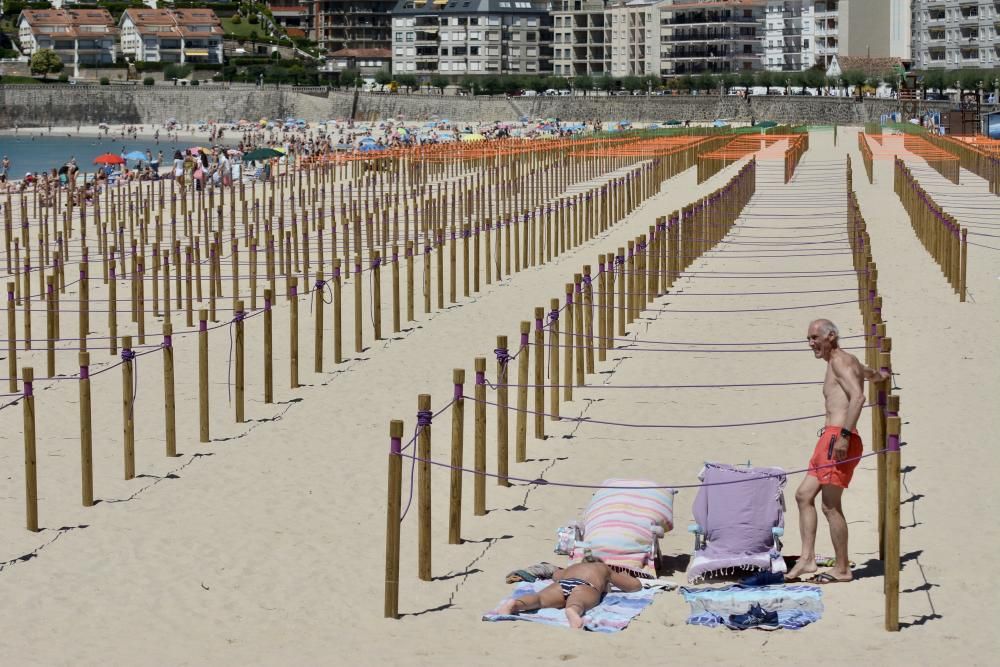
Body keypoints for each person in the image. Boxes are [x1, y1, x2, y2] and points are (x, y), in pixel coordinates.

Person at [785, 319, 890, 584]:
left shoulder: (839, 361)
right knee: (803, 495)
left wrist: (844, 435)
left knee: (830, 505)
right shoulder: (848, 360)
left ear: (830, 336)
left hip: (839, 437)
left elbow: (858, 397)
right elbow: (867, 373)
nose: (811, 344)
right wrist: (881, 376)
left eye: (814, 338)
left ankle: (842, 568)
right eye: (808, 339)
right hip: (829, 439)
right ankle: (807, 558)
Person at [495, 554, 641, 629]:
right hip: (585, 585)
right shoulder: (603, 569)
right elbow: (633, 586)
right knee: (578, 601)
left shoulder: (570, 569)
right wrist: (627, 577)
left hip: (562, 583)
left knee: (539, 599)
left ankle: (515, 604)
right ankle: (572, 611)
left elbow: (554, 574)